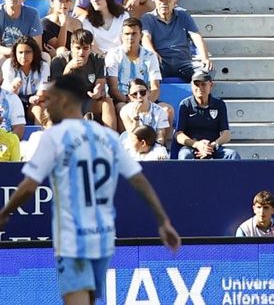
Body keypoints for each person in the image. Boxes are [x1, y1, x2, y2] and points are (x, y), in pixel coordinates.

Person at [0, 74, 181, 301]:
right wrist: (163, 220)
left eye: (52, 99)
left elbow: (29, 186)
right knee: (90, 298)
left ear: (65, 100)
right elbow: (139, 181)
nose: (47, 106)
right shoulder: (107, 136)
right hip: (104, 236)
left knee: (76, 299)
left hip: (72, 236)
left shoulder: (55, 137)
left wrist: (5, 213)